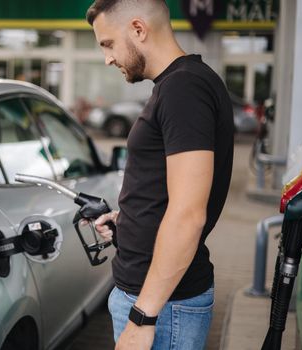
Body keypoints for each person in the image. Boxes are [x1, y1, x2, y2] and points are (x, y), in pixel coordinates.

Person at [86, 0, 234, 349]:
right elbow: (172, 195)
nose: (107, 58)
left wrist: (142, 317)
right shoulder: (179, 86)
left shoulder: (184, 89)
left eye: (108, 44)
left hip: (163, 306)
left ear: (138, 29)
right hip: (156, 300)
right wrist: (127, 221)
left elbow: (188, 215)